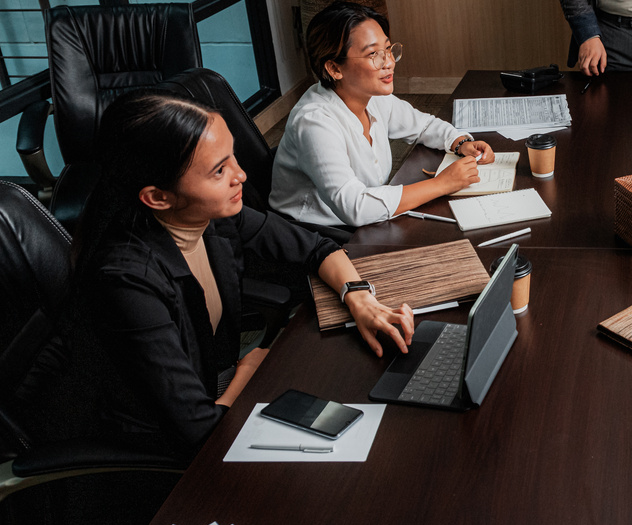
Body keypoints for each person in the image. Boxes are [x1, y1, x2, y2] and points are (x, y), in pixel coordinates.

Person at [70, 91, 416, 460]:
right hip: (167, 442)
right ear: (157, 197)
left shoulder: (207, 215)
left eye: (232, 156)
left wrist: (359, 298)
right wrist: (249, 372)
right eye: (218, 171)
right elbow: (198, 430)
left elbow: (315, 248)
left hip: (219, 384)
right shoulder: (126, 282)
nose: (241, 175)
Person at [270, 1, 494, 228]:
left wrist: (460, 142)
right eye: (373, 54)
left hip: (369, 220)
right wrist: (442, 184)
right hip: (316, 233)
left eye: (388, 49)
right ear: (335, 69)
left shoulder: (371, 95)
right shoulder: (313, 122)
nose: (388, 62)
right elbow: (354, 207)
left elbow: (423, 126)